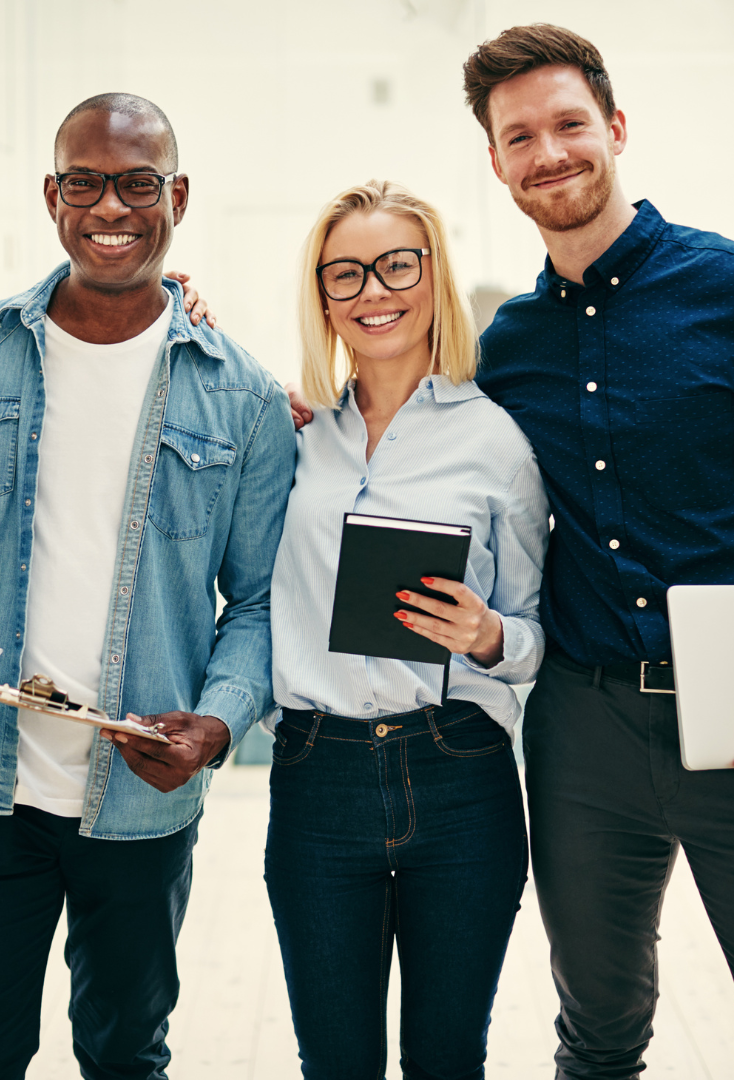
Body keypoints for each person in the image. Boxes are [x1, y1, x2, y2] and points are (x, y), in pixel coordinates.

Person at [0, 92, 295, 1079]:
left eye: (136, 183)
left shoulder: (243, 395)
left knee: (127, 1055)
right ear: (53, 195)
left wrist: (219, 723)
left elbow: (257, 601)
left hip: (139, 799)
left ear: (178, 196)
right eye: (85, 181)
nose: (109, 205)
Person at [463, 23, 734, 1077]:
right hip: (586, 724)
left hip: (732, 695)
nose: (550, 152)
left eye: (570, 124)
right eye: (519, 136)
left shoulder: (723, 286)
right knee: (599, 1028)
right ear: (497, 162)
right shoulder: (509, 348)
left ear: (614, 128)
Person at [267, 178, 548, 1080]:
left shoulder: (497, 441)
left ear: (434, 276)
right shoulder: (293, 437)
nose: (373, 293)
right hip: (318, 778)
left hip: (459, 773)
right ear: (321, 296)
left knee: (447, 1057)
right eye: (344, 274)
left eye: (396, 265)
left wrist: (488, 635)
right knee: (334, 1061)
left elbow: (538, 634)